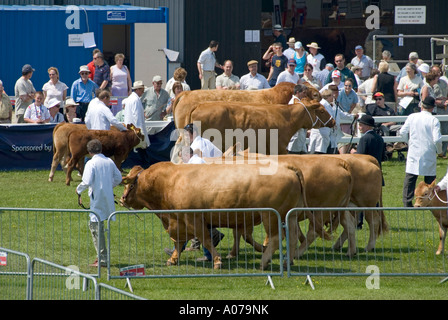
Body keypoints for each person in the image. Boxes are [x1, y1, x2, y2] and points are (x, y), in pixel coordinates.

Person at [76, 139, 122, 267]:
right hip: (106, 198)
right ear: (101, 149)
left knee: (96, 229)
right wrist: (108, 186)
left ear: (89, 152)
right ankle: (101, 257)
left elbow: (86, 181)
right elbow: (118, 178)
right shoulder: (109, 161)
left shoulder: (91, 163)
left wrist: (78, 190)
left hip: (97, 199)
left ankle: (102, 259)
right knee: (99, 228)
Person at [400, 96, 442, 207]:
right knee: (430, 181)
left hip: (414, 150)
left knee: (410, 178)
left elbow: (402, 132)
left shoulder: (412, 117)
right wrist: (439, 151)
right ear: (432, 108)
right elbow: (437, 139)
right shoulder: (434, 120)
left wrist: (408, 142)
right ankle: (430, 202)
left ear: (421, 105)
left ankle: (407, 202)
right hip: (428, 151)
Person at [350, 114, 385, 229]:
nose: (359, 127)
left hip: (365, 174)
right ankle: (377, 220)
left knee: (361, 198)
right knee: (375, 199)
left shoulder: (365, 138)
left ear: (368, 127)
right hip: (377, 172)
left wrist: (352, 153)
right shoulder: (379, 138)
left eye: (361, 125)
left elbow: (360, 157)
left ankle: (358, 222)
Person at [123, 80, 150, 165]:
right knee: (141, 146)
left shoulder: (130, 99)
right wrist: (140, 131)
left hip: (130, 127)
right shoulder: (135, 100)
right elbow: (136, 116)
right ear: (137, 89)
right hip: (135, 128)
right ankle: (144, 164)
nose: (143, 91)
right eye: (142, 89)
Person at [308, 88, 333, 154]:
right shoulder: (323, 105)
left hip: (322, 132)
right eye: (332, 95)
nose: (333, 97)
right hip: (321, 131)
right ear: (329, 96)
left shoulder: (327, 104)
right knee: (319, 153)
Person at [431, 65, 448, 158]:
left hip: (445, 109)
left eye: (438, 72)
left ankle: (443, 152)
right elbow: (431, 98)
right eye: (435, 72)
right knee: (436, 131)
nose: (437, 74)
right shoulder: (431, 84)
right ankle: (435, 152)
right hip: (435, 110)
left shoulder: (444, 83)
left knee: (445, 131)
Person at [287, 84, 308, 154]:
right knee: (294, 156)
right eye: (304, 93)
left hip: (300, 134)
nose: (305, 95)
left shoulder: (298, 102)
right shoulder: (294, 102)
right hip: (296, 133)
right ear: (298, 92)